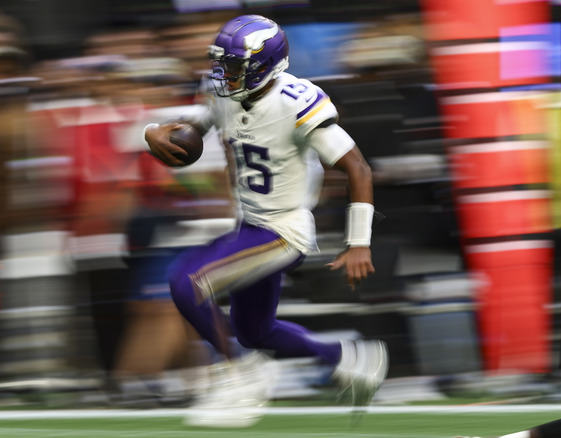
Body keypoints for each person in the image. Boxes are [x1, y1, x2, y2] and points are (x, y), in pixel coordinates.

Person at [143, 14, 388, 427]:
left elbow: (358, 168)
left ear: (263, 65)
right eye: (222, 63)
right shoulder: (224, 92)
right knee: (256, 331)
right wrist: (153, 131)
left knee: (186, 281)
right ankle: (351, 358)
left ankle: (238, 377)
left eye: (234, 65)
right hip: (251, 226)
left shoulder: (296, 101)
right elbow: (190, 129)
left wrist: (358, 242)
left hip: (283, 231)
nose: (224, 73)